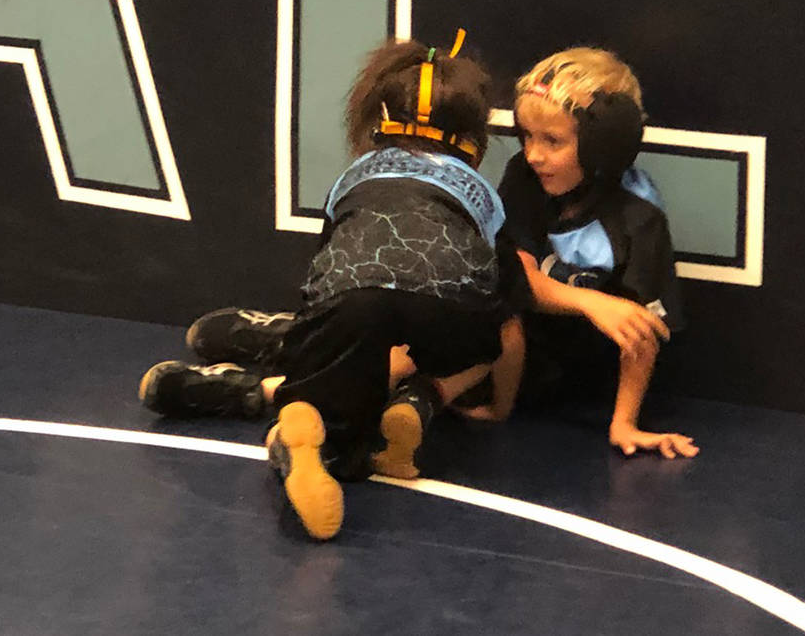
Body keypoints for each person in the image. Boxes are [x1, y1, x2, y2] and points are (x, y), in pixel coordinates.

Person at [137, 33, 523, 540]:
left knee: (339, 367)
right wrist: (499, 404)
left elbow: (330, 282)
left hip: (353, 304)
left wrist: (316, 352)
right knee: (476, 339)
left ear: (377, 121)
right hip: (449, 318)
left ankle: (297, 419)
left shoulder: (355, 178)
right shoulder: (484, 197)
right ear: (474, 137)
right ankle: (420, 403)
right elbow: (509, 321)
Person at [471, 47, 699, 460]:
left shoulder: (639, 214)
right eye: (527, 137)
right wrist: (591, 301)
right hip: (504, 361)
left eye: (553, 141)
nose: (534, 154)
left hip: (575, 385)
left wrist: (624, 424)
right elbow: (515, 282)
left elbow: (641, 329)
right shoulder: (524, 178)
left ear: (605, 145)